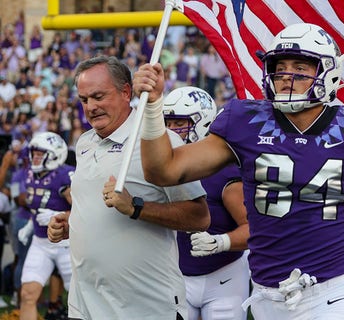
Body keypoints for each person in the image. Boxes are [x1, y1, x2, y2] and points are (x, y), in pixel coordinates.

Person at [133, 23, 344, 320]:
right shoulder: (243, 121)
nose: (287, 76)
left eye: (301, 66)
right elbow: (163, 171)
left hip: (333, 294)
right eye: (279, 67)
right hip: (265, 297)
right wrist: (153, 107)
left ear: (330, 71)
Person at [46, 55, 210, 319]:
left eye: (98, 96)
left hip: (147, 307)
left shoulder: (158, 141)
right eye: (84, 99)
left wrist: (137, 207)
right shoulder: (85, 142)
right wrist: (70, 224)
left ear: (125, 92)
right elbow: (93, 207)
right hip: (85, 305)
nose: (91, 107)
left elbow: (200, 217)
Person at [163, 86, 251, 320]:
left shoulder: (223, 172)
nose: (171, 131)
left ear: (202, 122)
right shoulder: (161, 168)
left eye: (178, 123)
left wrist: (221, 242)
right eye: (167, 123)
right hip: (175, 275)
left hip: (224, 277)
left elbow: (254, 228)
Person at [16, 131, 73, 320]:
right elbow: (39, 208)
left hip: (66, 244)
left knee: (79, 299)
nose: (35, 157)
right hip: (40, 242)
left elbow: (86, 211)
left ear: (56, 153)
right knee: (28, 294)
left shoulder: (65, 175)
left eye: (40, 153)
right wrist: (31, 225)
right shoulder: (31, 174)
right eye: (34, 153)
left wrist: (59, 216)